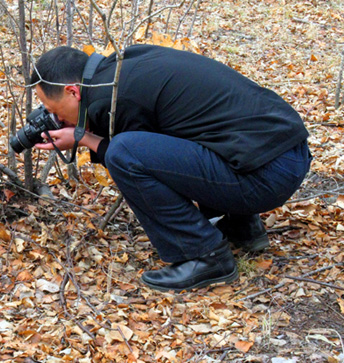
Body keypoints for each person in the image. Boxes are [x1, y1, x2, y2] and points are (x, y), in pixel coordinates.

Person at [30, 44, 311, 292]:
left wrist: (84, 138)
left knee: (123, 153)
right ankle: (242, 226)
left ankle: (205, 256)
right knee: (186, 129)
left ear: (72, 91)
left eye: (52, 107)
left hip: (264, 177)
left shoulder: (114, 98)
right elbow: (170, 145)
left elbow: (130, 154)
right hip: (288, 153)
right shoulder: (128, 62)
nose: (54, 116)